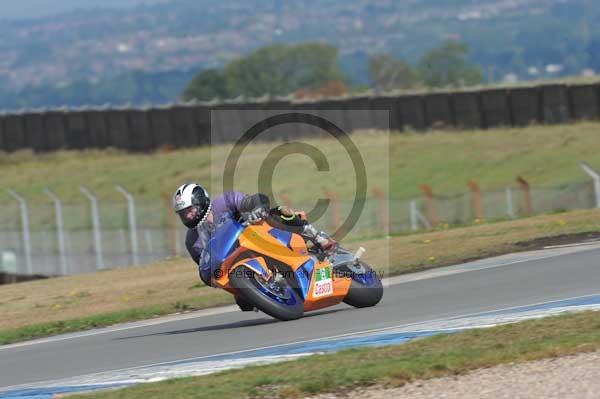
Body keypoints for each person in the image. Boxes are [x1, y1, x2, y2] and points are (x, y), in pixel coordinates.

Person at [172, 183, 335, 310]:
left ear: (199, 202)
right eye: (182, 214)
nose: (187, 216)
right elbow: (206, 266)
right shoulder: (192, 241)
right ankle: (266, 289)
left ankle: (315, 235)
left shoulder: (225, 201)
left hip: (259, 234)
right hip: (236, 262)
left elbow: (253, 201)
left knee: (278, 212)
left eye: (189, 210)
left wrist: (257, 208)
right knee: (244, 303)